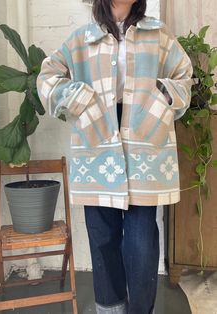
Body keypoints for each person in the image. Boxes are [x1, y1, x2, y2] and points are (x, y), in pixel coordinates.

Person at [37, 0, 193, 313]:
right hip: (98, 141)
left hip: (144, 140)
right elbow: (48, 77)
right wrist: (80, 99)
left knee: (140, 242)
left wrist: (160, 99)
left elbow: (184, 76)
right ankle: (109, 310)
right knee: (102, 238)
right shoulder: (83, 37)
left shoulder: (158, 34)